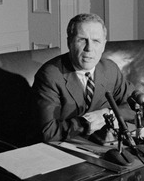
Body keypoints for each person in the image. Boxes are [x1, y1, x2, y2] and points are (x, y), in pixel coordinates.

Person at [33, 13, 138, 142]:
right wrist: (86, 123)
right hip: (64, 148)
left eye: (96, 41)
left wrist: (107, 114)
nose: (89, 48)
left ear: (104, 45)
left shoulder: (110, 69)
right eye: (82, 40)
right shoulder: (50, 76)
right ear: (69, 42)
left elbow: (136, 105)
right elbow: (48, 132)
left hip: (101, 144)